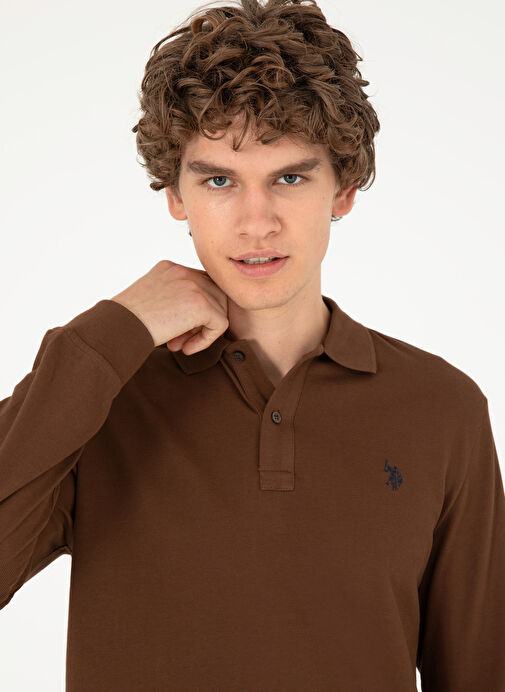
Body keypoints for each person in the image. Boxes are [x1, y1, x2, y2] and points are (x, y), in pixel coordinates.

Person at [1, 0, 504, 690]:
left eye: (289, 178)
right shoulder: (103, 393)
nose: (255, 222)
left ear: (343, 190)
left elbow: (478, 670)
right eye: (218, 180)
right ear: (175, 195)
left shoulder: (440, 409)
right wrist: (111, 332)